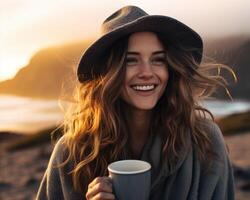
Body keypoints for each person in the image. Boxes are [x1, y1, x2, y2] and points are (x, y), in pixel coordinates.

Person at [36, 5, 235, 200]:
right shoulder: (72, 152)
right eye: (131, 60)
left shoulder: (205, 140)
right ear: (108, 73)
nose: (147, 73)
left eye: (158, 60)